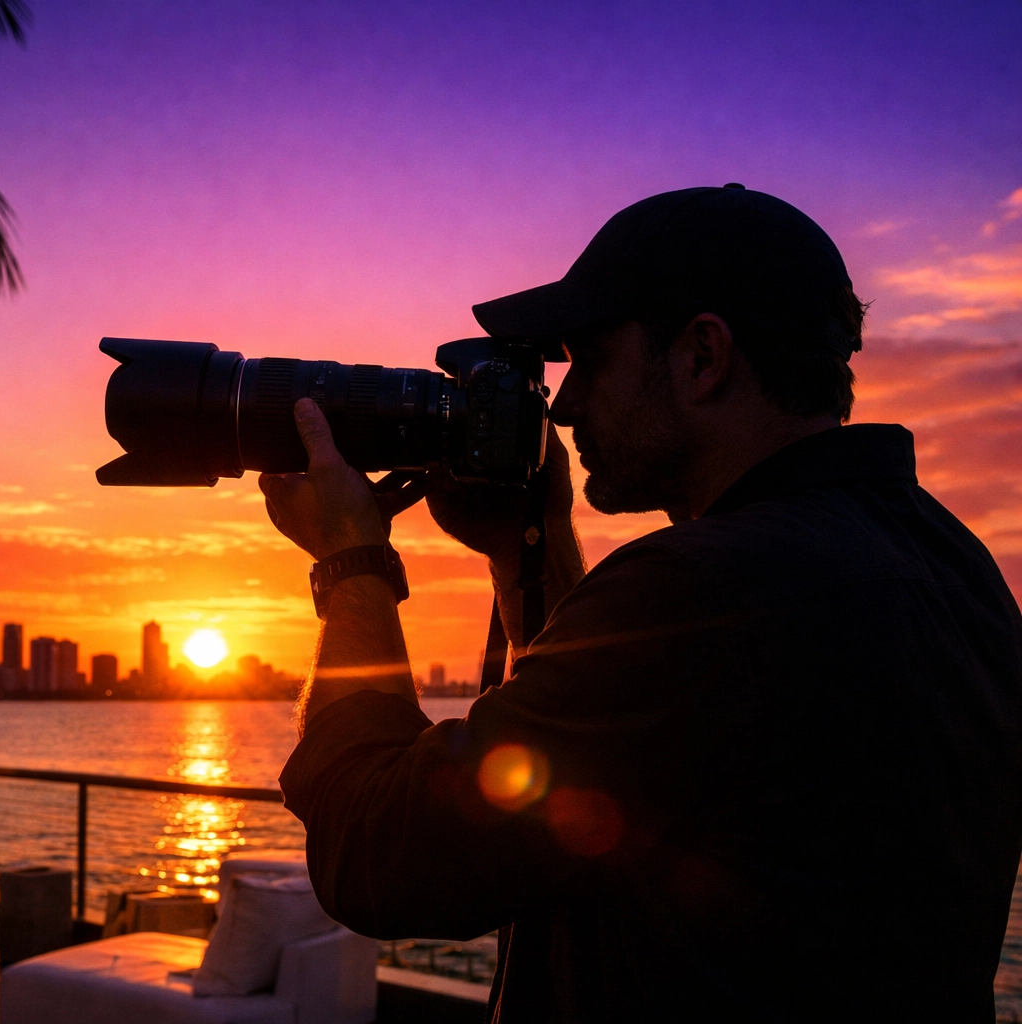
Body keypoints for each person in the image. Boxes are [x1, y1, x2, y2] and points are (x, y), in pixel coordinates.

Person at [261, 185, 1022, 1022]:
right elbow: (619, 762)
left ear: (702, 356)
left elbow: (380, 857)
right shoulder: (955, 565)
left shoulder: (712, 586)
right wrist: (535, 540)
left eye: (588, 358)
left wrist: (352, 562)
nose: (567, 401)